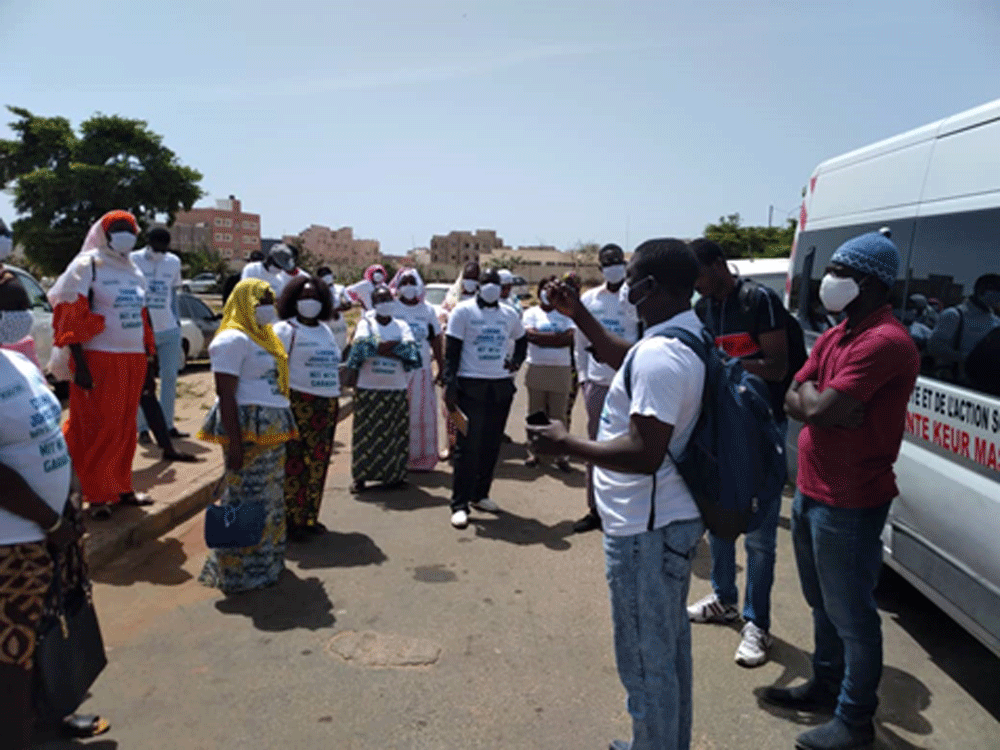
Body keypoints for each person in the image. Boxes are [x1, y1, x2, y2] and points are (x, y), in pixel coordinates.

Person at [528, 238, 706, 750]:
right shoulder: (683, 336)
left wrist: (567, 442)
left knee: (646, 663)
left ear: (647, 286)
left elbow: (644, 452)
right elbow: (620, 356)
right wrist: (578, 312)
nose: (624, 285)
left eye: (631, 276)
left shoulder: (661, 357)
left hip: (644, 532)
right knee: (666, 653)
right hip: (662, 521)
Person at [770, 232, 920, 750]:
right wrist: (819, 403)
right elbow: (798, 393)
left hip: (852, 499)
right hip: (812, 491)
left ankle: (855, 720)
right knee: (821, 602)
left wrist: (816, 402)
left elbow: (810, 406)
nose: (827, 280)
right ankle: (827, 686)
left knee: (852, 612)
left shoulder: (884, 341)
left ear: (871, 283)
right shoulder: (840, 334)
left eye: (839, 271)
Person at [0, 271, 110, 748]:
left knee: (51, 629)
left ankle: (51, 714)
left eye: (20, 304)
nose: (20, 315)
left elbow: (47, 435)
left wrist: (69, 505)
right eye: (10, 306)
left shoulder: (17, 362)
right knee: (13, 648)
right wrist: (49, 521)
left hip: (53, 527)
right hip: (13, 538)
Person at [687, 238, 791, 668]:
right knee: (721, 520)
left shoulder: (758, 300)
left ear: (717, 265)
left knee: (762, 537)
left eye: (699, 274)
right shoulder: (701, 309)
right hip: (721, 431)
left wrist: (726, 364)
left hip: (761, 426)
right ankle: (724, 598)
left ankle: (757, 624)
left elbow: (778, 365)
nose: (695, 284)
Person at [47, 210, 156, 519]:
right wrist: (79, 364)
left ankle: (121, 486)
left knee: (125, 426)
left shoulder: (134, 270)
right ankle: (95, 494)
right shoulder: (87, 265)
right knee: (99, 426)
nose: (126, 234)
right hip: (98, 358)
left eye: (130, 228)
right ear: (104, 233)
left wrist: (149, 358)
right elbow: (70, 313)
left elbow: (142, 318)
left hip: (132, 358)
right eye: (118, 228)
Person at [197, 279, 298, 593]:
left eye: (271, 299)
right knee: (246, 501)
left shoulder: (266, 336)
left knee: (270, 501)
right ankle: (239, 572)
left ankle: (268, 564)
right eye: (261, 300)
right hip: (247, 428)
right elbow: (225, 395)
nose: (269, 306)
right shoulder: (232, 340)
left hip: (272, 426)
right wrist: (236, 446)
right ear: (244, 303)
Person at [442, 267, 527, 529]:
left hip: (499, 387)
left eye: (495, 282)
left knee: (491, 446)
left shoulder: (509, 314)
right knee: (466, 447)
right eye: (486, 282)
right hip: (469, 386)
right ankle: (459, 504)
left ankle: (481, 494)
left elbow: (522, 341)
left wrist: (515, 362)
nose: (491, 286)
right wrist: (450, 385)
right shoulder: (463, 311)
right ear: (478, 285)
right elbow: (452, 352)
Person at [573, 243, 639, 534]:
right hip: (598, 384)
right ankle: (595, 509)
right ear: (600, 268)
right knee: (596, 448)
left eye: (617, 261)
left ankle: (627, 508)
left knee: (633, 446)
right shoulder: (589, 299)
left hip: (629, 383)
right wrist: (584, 379)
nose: (612, 266)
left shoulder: (636, 299)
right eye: (607, 263)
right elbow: (579, 343)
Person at [273, 276, 342, 542]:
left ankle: (309, 516)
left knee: (317, 463)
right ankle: (291, 521)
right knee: (294, 465)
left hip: (326, 404)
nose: (309, 302)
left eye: (314, 297)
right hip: (298, 403)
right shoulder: (285, 330)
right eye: (303, 297)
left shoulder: (325, 330)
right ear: (292, 300)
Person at [344, 284, 421, 493]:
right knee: (364, 435)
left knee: (395, 434)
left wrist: (378, 347)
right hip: (368, 388)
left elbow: (412, 353)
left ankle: (394, 476)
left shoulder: (402, 325)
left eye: (388, 299)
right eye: (380, 300)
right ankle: (360, 478)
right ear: (374, 304)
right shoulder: (365, 323)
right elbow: (360, 349)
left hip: (396, 388)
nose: (385, 304)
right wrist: (393, 347)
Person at [131, 227, 188, 444]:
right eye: (157, 248)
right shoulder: (134, 259)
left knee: (170, 377)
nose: (160, 252)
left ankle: (167, 424)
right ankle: (143, 428)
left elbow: (174, 295)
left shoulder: (173, 261)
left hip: (169, 329)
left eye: (164, 248)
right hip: (142, 330)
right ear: (149, 243)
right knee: (144, 381)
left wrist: (177, 322)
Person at [391, 268, 444, 472]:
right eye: (403, 282)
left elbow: (436, 339)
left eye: (412, 282)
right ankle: (397, 458)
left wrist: (441, 366)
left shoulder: (427, 310)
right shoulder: (392, 308)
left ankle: (421, 458)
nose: (408, 287)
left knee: (421, 416)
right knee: (398, 415)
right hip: (396, 372)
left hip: (421, 371)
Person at [522, 276, 575, 471]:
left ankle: (561, 456)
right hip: (537, 368)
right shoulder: (531, 313)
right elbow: (530, 336)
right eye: (544, 289)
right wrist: (556, 338)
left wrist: (542, 338)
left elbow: (569, 339)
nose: (547, 293)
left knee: (558, 415)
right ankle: (534, 453)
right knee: (536, 414)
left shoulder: (566, 313)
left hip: (560, 369)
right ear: (539, 293)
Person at [439, 261, 482, 460]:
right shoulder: (451, 298)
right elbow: (441, 324)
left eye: (475, 278)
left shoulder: (484, 300)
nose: (470, 282)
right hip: (454, 358)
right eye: (468, 277)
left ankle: (472, 446)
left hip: (475, 361)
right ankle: (451, 444)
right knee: (451, 403)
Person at [927, 273, 1000, 384]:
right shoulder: (955, 315)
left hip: (986, 386)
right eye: (995, 290)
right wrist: (965, 357)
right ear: (980, 290)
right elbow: (934, 347)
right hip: (957, 385)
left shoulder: (996, 322)